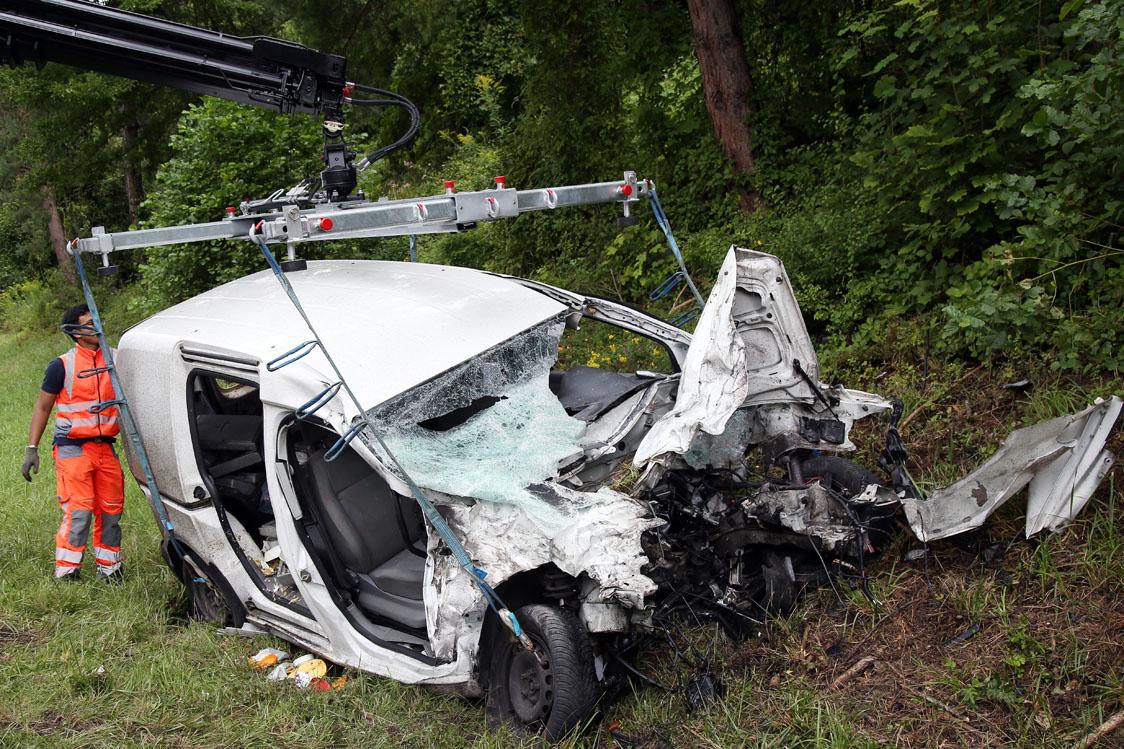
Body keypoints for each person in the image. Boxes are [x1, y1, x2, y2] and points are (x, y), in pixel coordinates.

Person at [22, 304, 124, 582]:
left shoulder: (115, 359)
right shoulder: (62, 366)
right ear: (76, 332)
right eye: (90, 323)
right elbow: (42, 407)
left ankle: (110, 568)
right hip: (72, 448)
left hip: (105, 447)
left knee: (111, 509)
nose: (97, 326)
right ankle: (67, 571)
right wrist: (32, 448)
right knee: (79, 510)